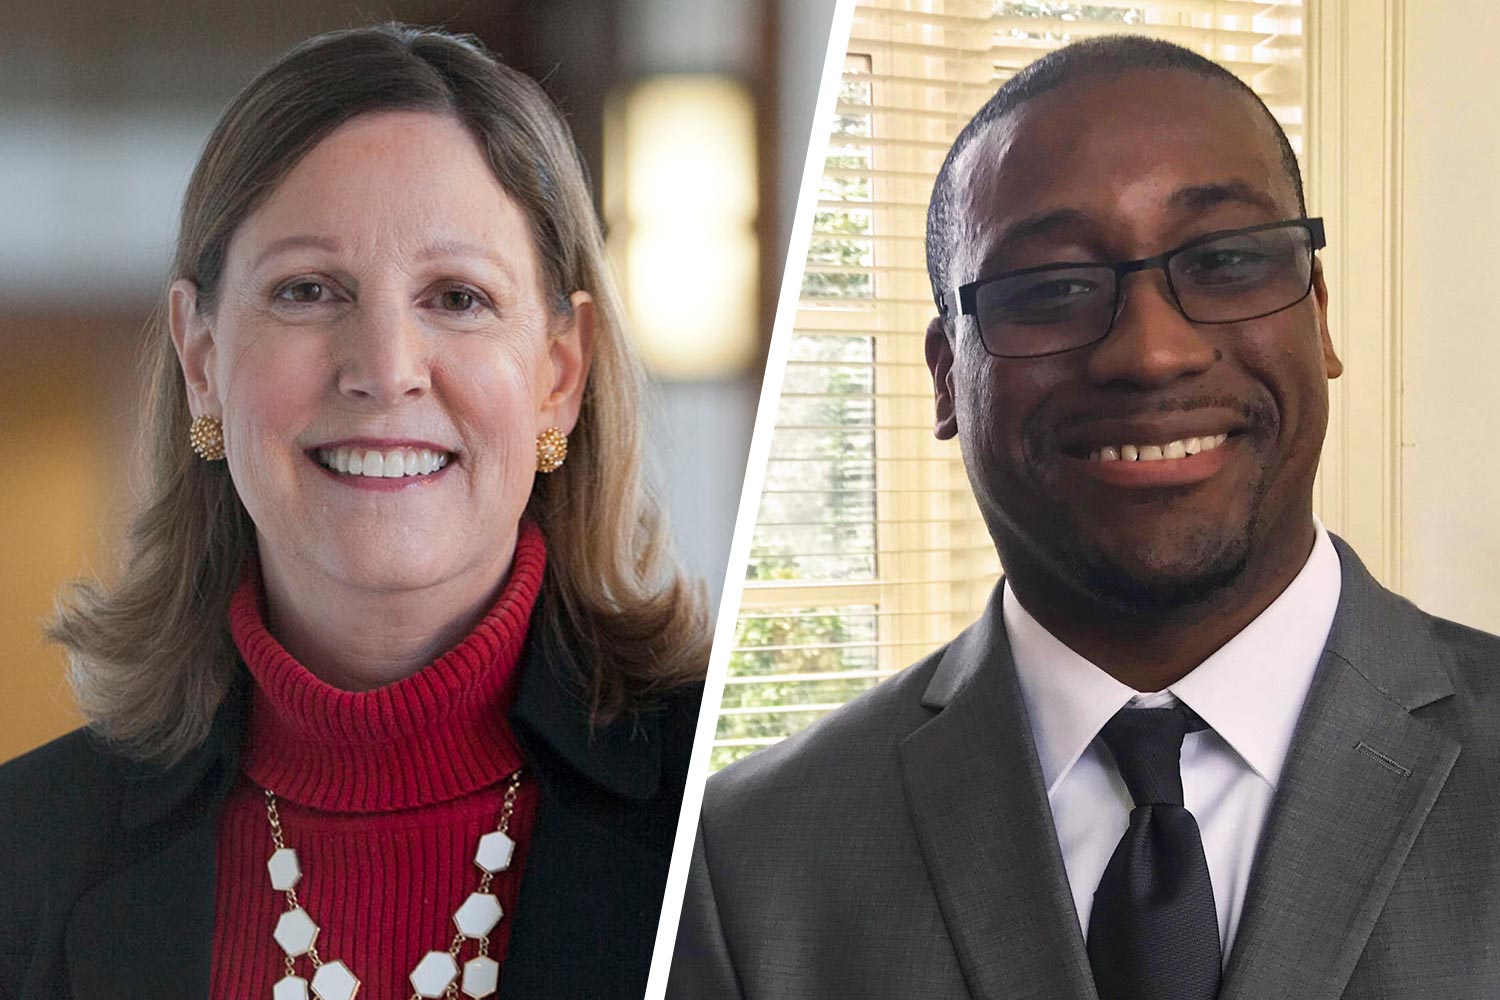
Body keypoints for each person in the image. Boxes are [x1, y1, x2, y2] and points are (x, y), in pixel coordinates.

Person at [669, 35, 1500, 1000]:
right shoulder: (744, 863)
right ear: (947, 378)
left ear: (1318, 317)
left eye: (1226, 261)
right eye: (1052, 289)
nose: (1153, 354)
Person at [0, 24, 709, 1000]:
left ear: (560, 374)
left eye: (457, 296)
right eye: (306, 290)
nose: (382, 368)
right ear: (202, 362)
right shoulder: (22, 858)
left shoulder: (730, 817)